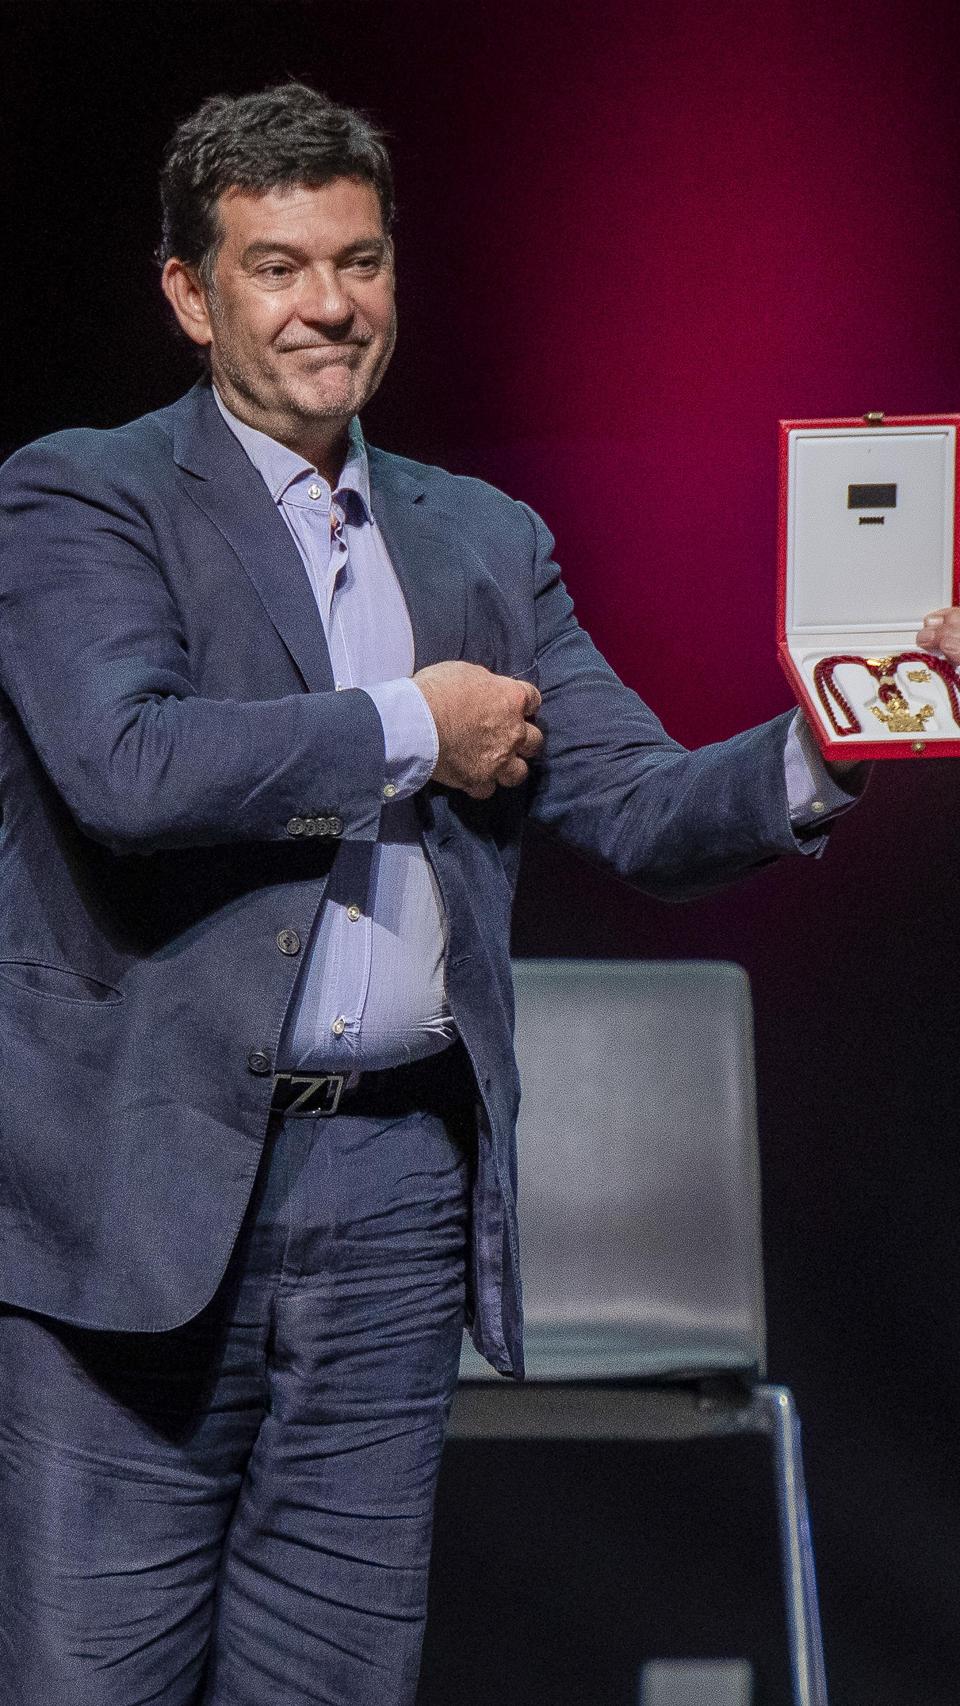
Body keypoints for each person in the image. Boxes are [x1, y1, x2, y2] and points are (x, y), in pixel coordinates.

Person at [0, 83, 861, 1706]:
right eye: (278, 265)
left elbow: (637, 797)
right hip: (142, 1195)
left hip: (393, 1190)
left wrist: (831, 742)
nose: (330, 303)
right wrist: (418, 725)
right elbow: (128, 761)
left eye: (362, 258)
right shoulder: (82, 495)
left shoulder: (479, 534)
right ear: (191, 294)